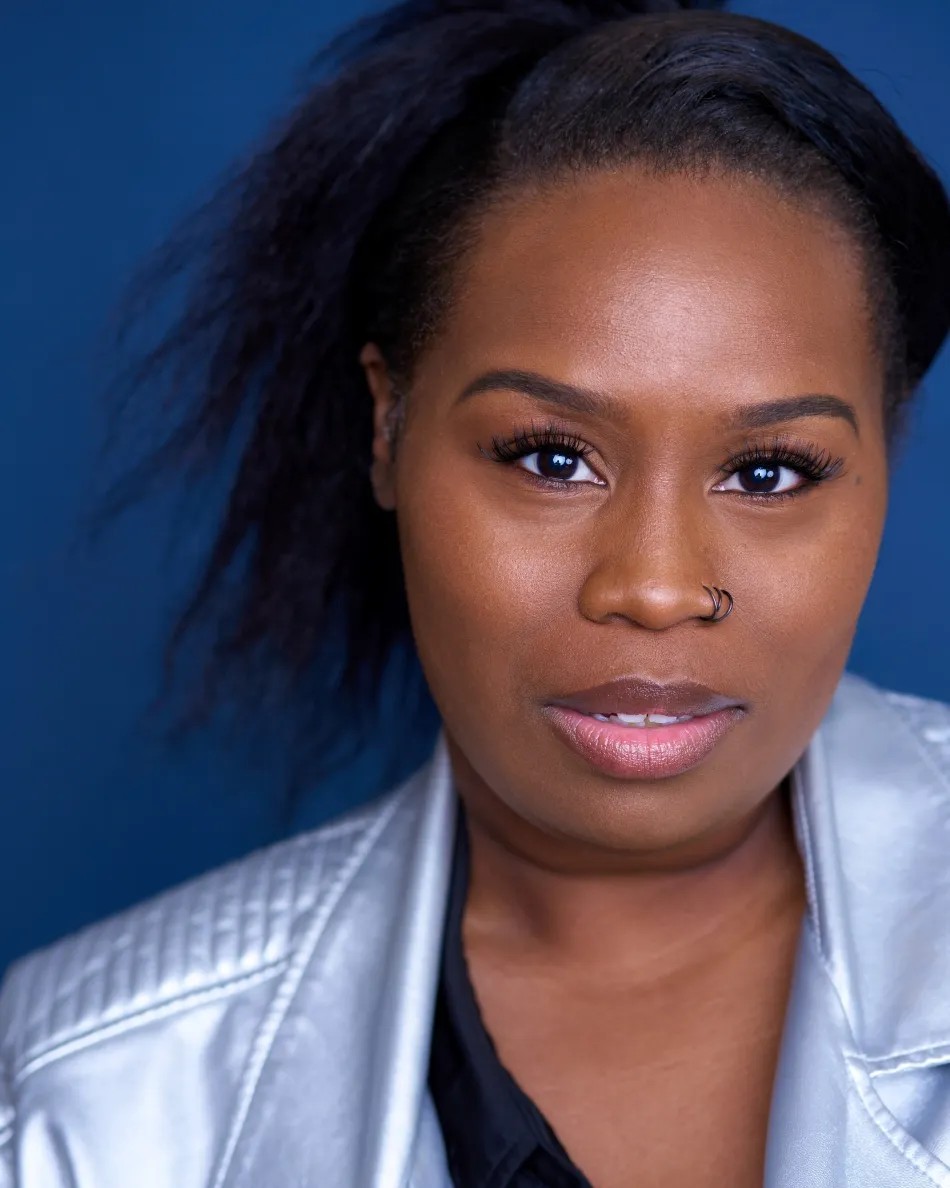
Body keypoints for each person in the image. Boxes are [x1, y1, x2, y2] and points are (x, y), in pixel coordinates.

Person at [3, 0, 950, 1184]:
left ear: (883, 458)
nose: (655, 587)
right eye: (549, 458)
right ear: (387, 427)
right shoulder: (82, 1100)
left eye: (766, 472)